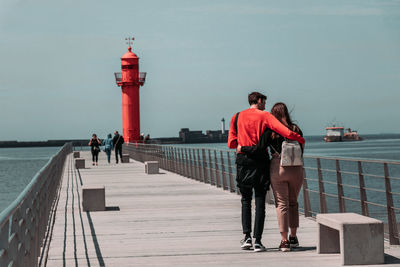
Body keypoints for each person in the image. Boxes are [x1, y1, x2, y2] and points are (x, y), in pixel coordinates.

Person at [228, 92, 305, 252]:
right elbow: (285, 132)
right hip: (261, 162)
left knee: (245, 200)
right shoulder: (264, 116)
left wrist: (243, 147)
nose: (265, 106)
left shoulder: (236, 117)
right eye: (264, 102)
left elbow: (231, 143)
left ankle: (247, 237)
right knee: (261, 201)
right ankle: (258, 241)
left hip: (242, 161)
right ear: (260, 100)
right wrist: (299, 139)